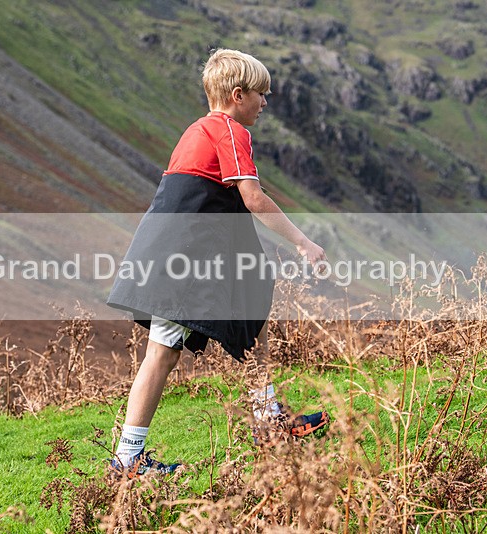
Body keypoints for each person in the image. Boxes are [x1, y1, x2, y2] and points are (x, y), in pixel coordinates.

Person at [107, 49, 329, 478]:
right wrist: (304, 243)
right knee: (163, 353)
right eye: (261, 94)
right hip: (184, 258)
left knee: (253, 302)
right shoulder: (229, 130)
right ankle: (128, 460)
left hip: (176, 249)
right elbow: (253, 198)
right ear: (238, 94)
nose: (266, 102)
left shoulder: (198, 129)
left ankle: (267, 419)